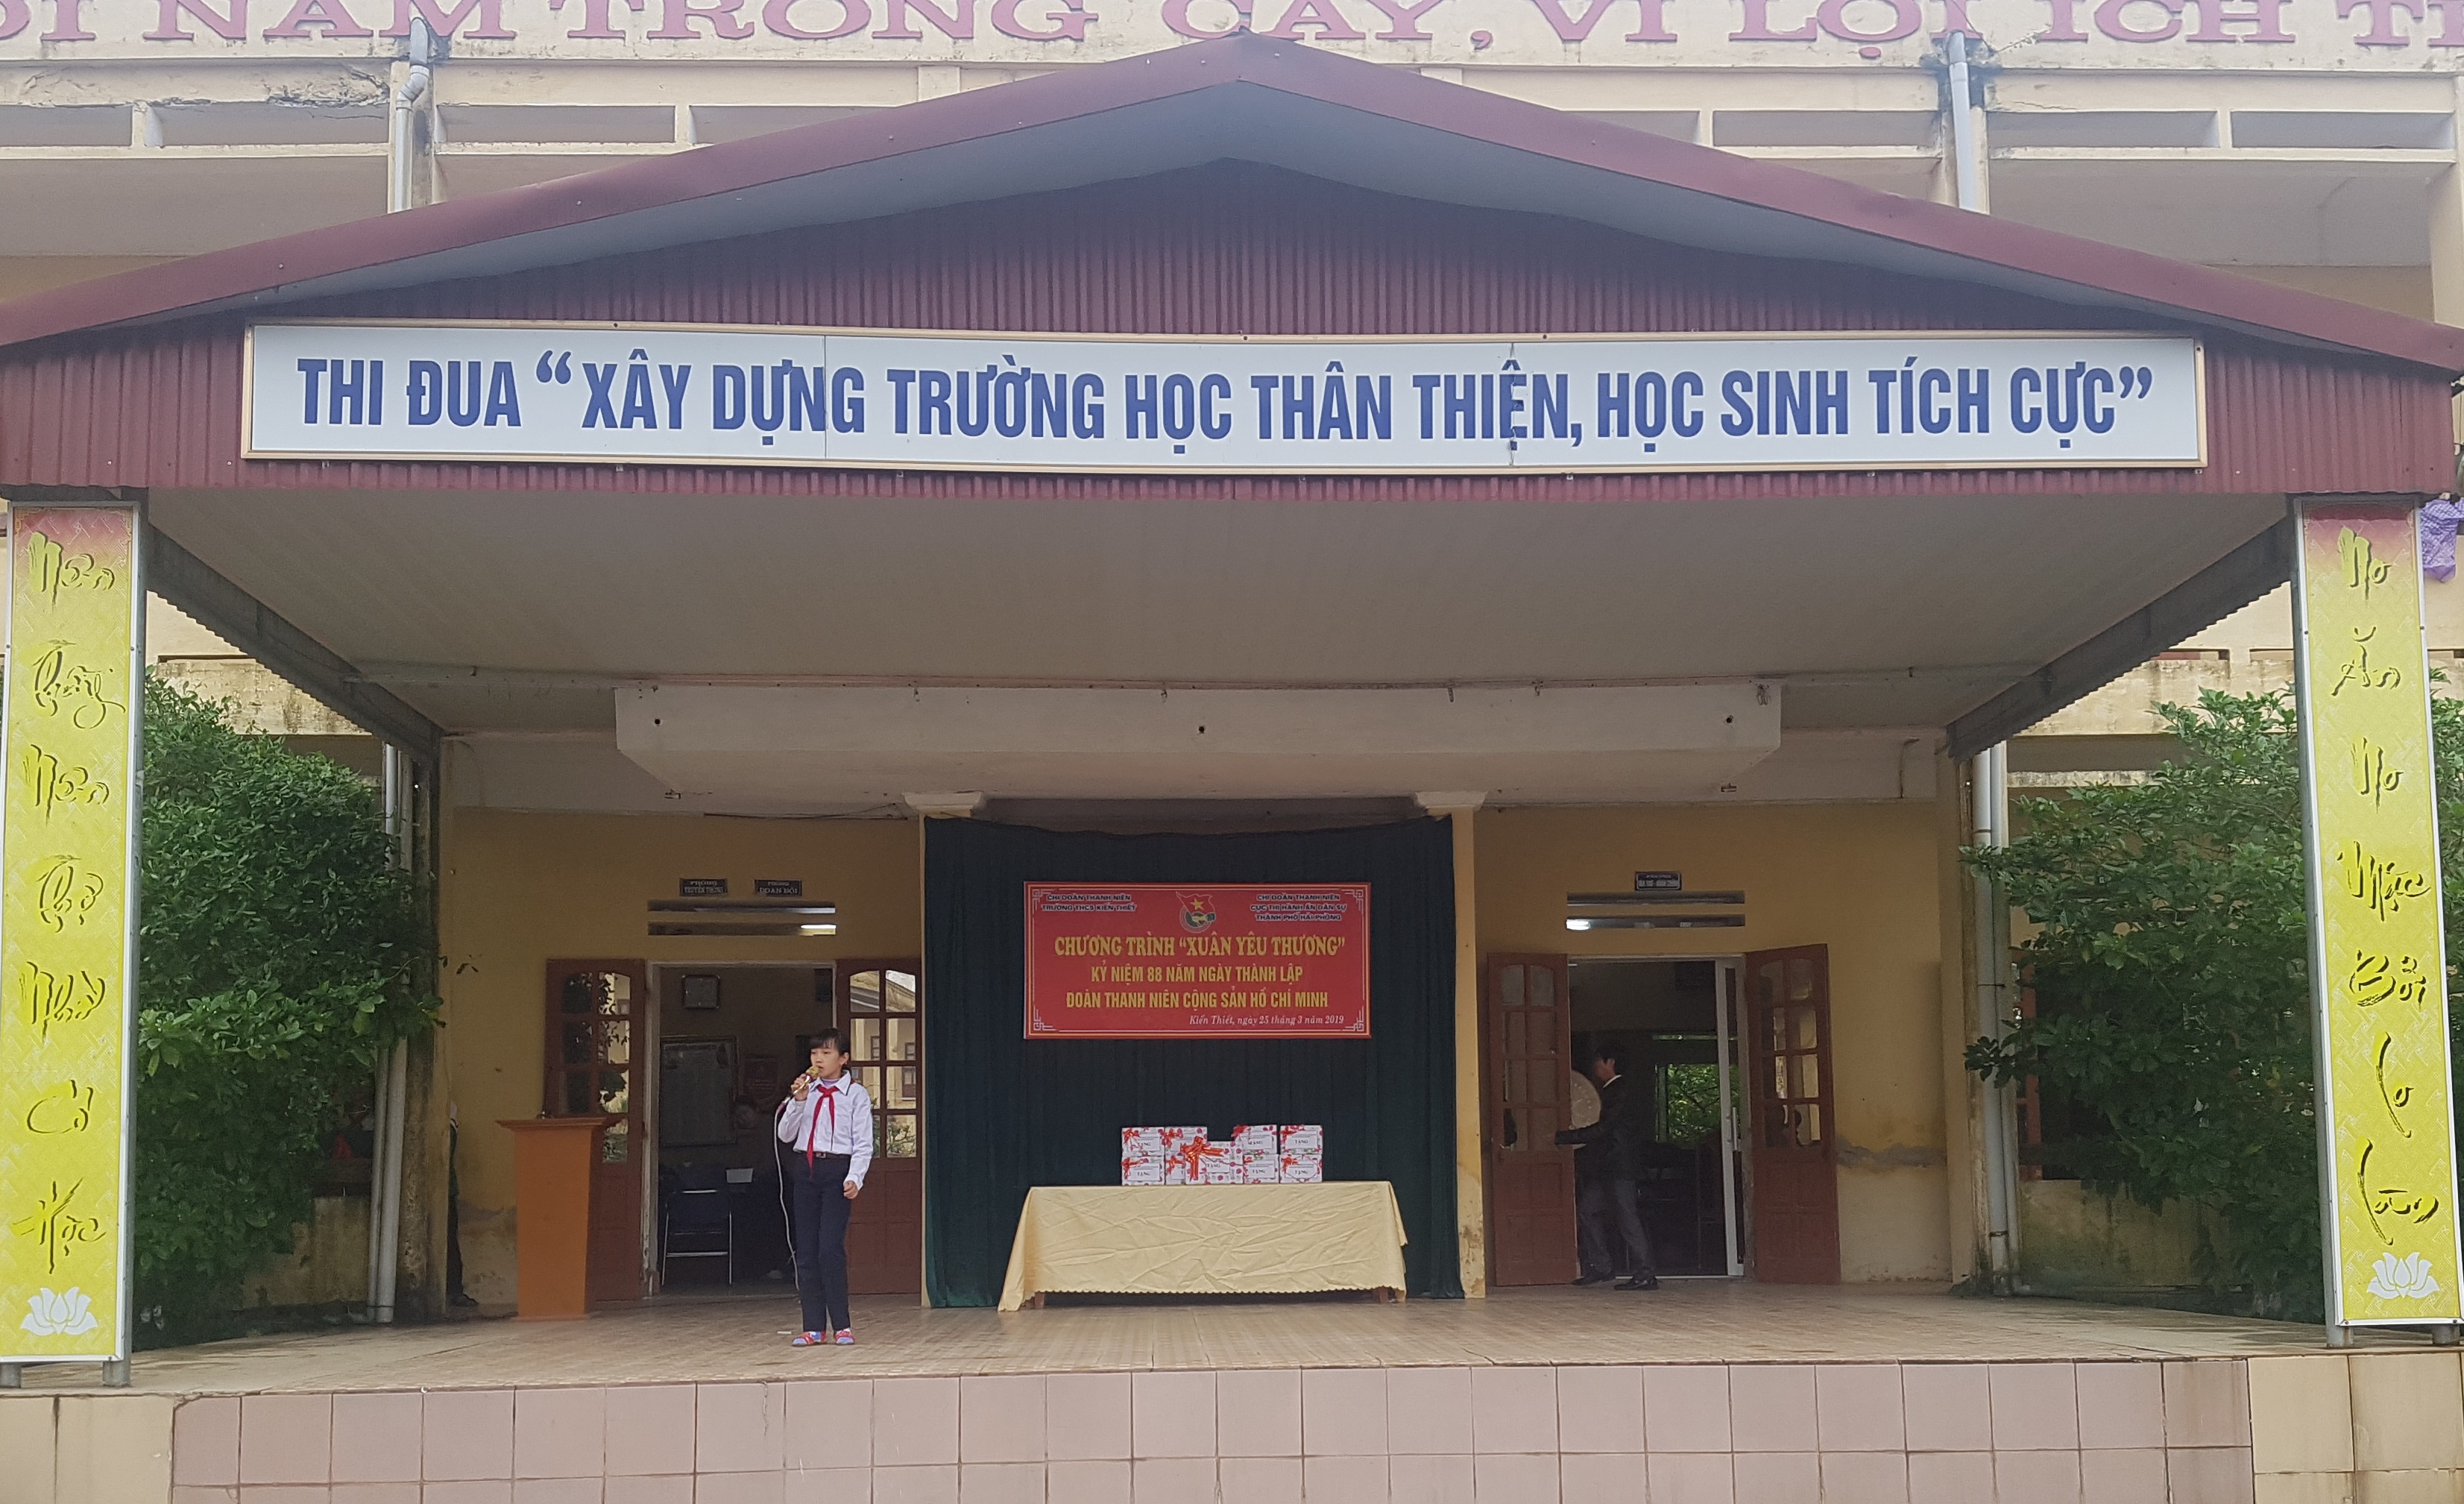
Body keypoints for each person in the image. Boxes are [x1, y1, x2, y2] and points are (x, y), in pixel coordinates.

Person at [774, 1030, 874, 1345]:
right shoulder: (808, 1091)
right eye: (814, 1053)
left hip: (837, 1171)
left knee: (829, 1249)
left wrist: (855, 1177)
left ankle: (842, 1325)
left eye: (826, 1053)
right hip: (807, 1169)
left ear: (843, 1059)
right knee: (806, 1251)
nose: (818, 1059)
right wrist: (799, 1101)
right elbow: (785, 1135)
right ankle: (813, 1327)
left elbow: (863, 1142)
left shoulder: (855, 1095)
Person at [1556, 1042, 1660, 1291]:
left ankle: (1646, 1274)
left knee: (1627, 1219)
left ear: (1610, 1063)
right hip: (1608, 1167)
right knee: (1587, 1211)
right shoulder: (1613, 1090)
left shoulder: (1620, 1091)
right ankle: (1602, 1267)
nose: (1595, 1067)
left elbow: (1603, 1129)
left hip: (1620, 1167)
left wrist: (1565, 1137)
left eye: (1598, 1062)